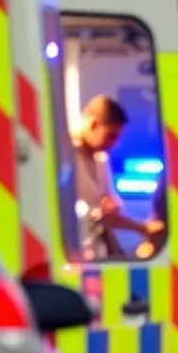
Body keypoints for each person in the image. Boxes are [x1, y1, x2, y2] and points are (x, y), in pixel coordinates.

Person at [73, 94, 165, 260]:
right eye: (111, 136)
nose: (113, 143)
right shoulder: (67, 159)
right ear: (93, 125)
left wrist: (113, 207)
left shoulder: (101, 160)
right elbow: (97, 215)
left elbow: (110, 209)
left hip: (98, 252)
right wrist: (142, 228)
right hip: (75, 253)